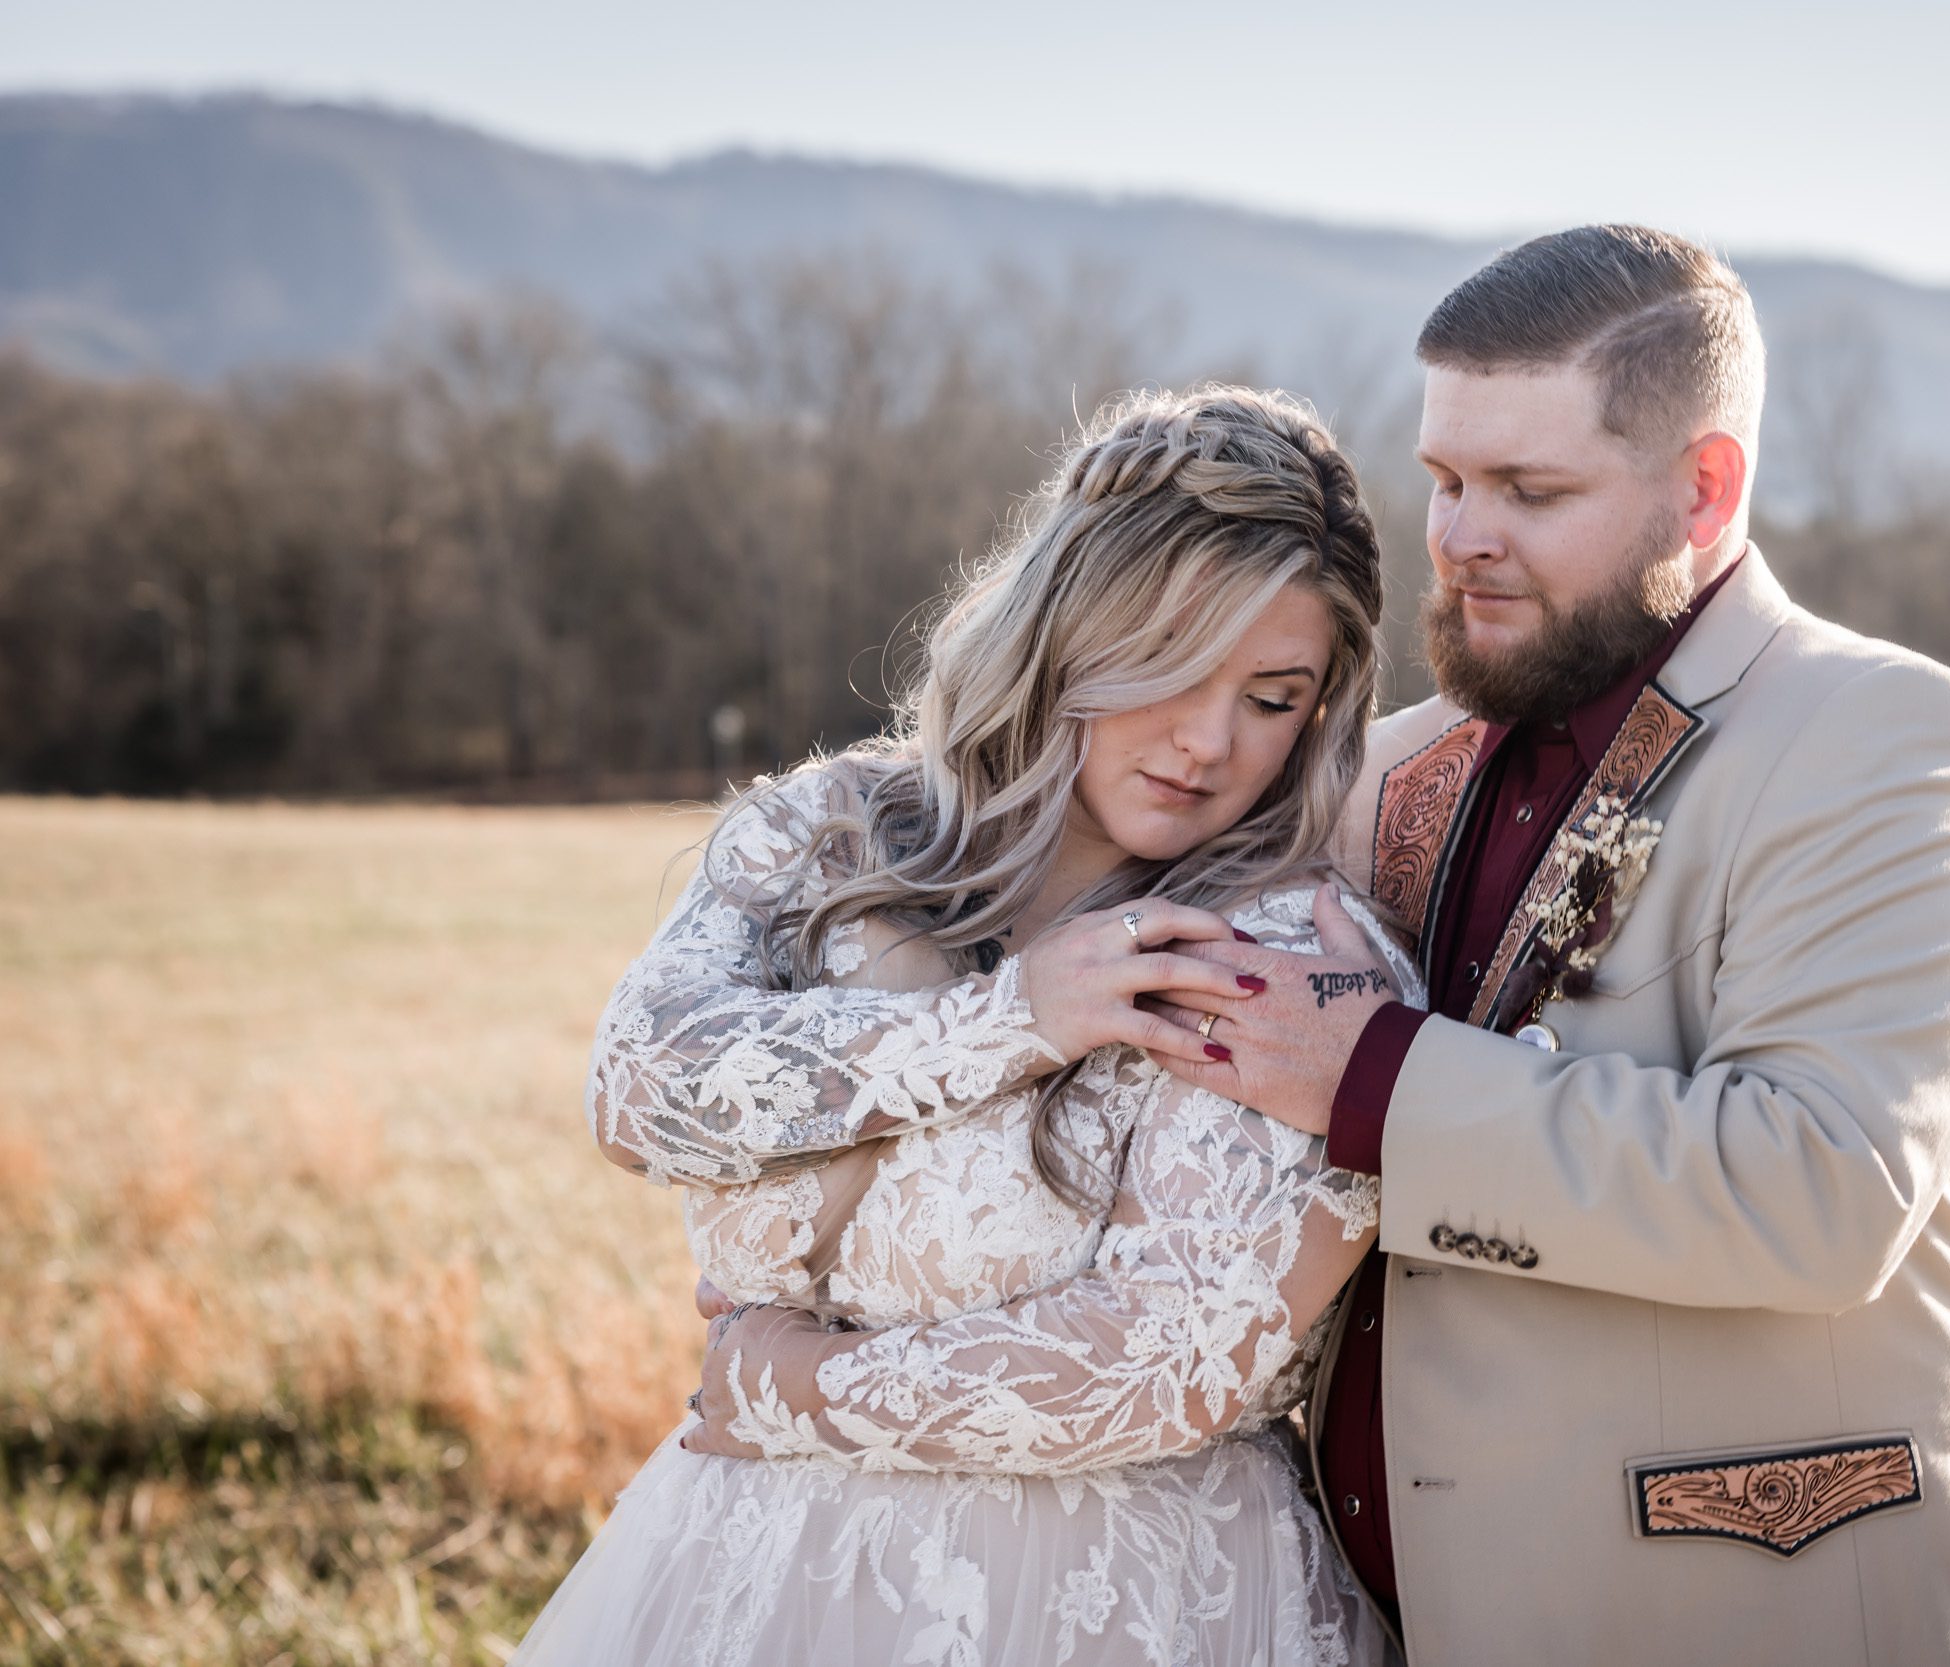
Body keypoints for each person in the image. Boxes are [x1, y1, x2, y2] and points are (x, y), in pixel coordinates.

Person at [1125, 226, 1950, 1663]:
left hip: (1735, 1600)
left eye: (1530, 490)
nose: (1461, 534)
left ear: (1705, 485)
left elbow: (1824, 1187)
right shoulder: (1384, 763)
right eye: (1444, 479)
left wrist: (1372, 1076)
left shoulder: (1883, 735)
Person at [511, 385, 1414, 1667]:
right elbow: (639, 1091)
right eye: (1174, 666)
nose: (1210, 741)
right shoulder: (830, 832)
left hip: (1122, 1602)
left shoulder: (1282, 956)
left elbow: (1172, 1359)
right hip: (749, 1566)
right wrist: (1008, 1019)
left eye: (1272, 697)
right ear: (1066, 625)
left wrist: (792, 1388)